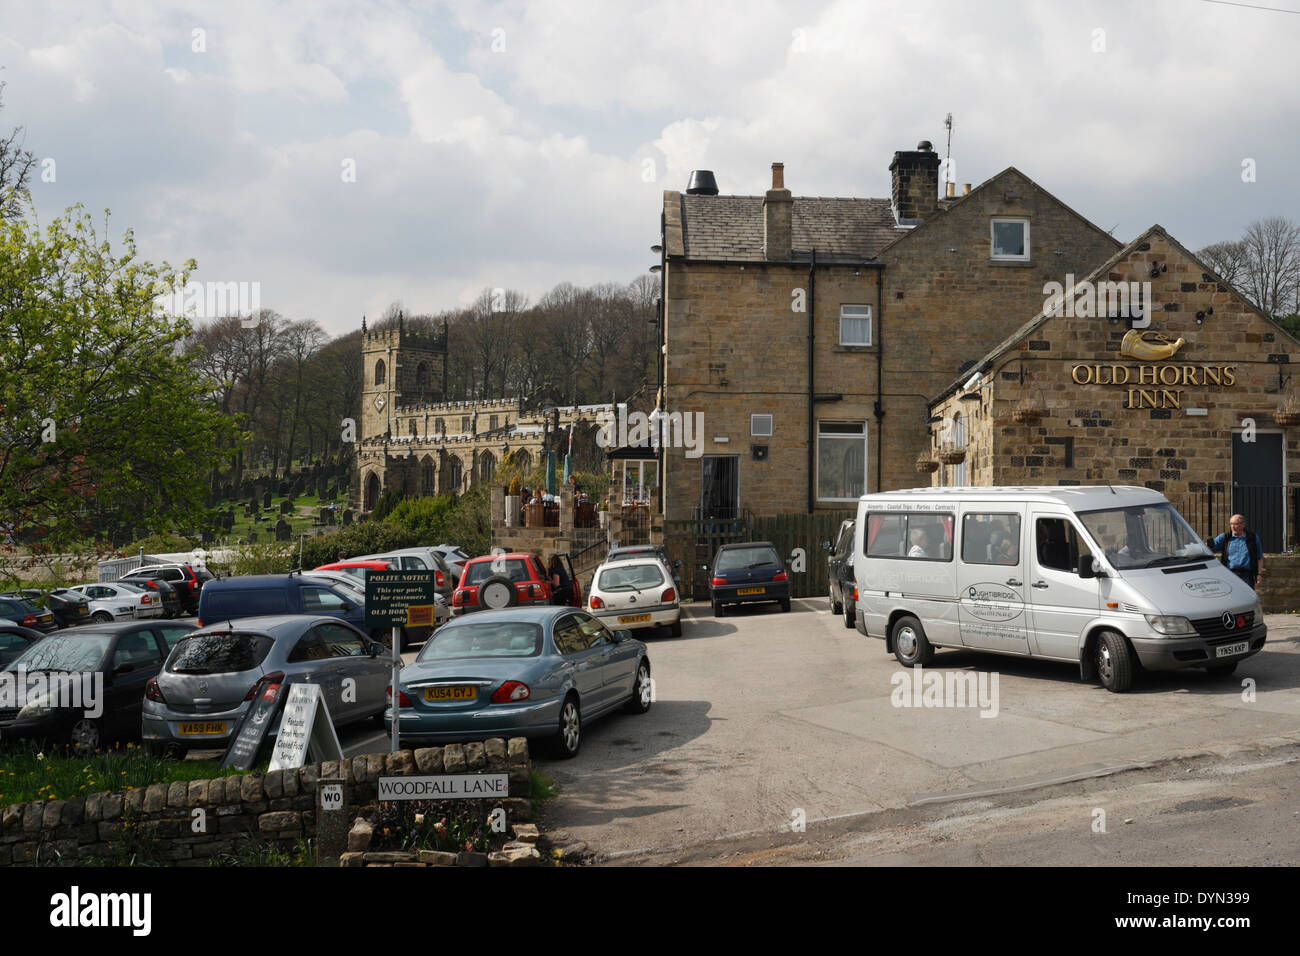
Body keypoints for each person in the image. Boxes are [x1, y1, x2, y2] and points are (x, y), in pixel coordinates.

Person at [1207, 514, 1264, 590]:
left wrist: (1259, 574)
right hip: (1230, 574)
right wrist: (1208, 544)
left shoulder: (1253, 538)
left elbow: (1259, 558)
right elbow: (1210, 549)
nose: (1232, 527)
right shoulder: (1225, 537)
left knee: (1246, 597)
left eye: (1236, 524)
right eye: (1231, 524)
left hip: (1247, 575)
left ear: (1243, 525)